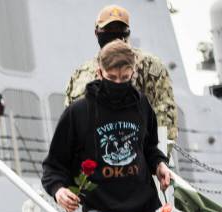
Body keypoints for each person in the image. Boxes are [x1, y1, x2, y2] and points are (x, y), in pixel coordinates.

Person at [43, 40, 173, 212]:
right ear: (99, 73)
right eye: (112, 77)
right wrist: (59, 190)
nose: (118, 83)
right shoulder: (78, 112)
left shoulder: (142, 106)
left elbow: (148, 148)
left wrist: (160, 165)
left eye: (124, 77)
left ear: (133, 72)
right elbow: (53, 164)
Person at [65, 5, 178, 141]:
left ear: (128, 32)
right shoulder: (81, 74)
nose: (114, 34)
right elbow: (70, 121)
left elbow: (164, 113)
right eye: (108, 29)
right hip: (92, 155)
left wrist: (159, 156)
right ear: (97, 32)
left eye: (119, 29)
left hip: (138, 154)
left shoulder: (149, 66)